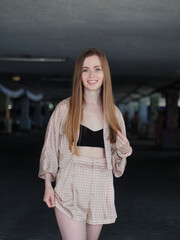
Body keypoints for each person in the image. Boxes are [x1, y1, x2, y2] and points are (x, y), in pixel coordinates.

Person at [38, 48, 132, 240]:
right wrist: (48, 184)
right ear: (79, 75)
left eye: (97, 69)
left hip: (101, 184)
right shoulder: (65, 109)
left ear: (104, 73)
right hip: (70, 183)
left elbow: (116, 166)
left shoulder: (113, 114)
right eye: (85, 70)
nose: (91, 75)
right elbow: (50, 148)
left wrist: (125, 151)